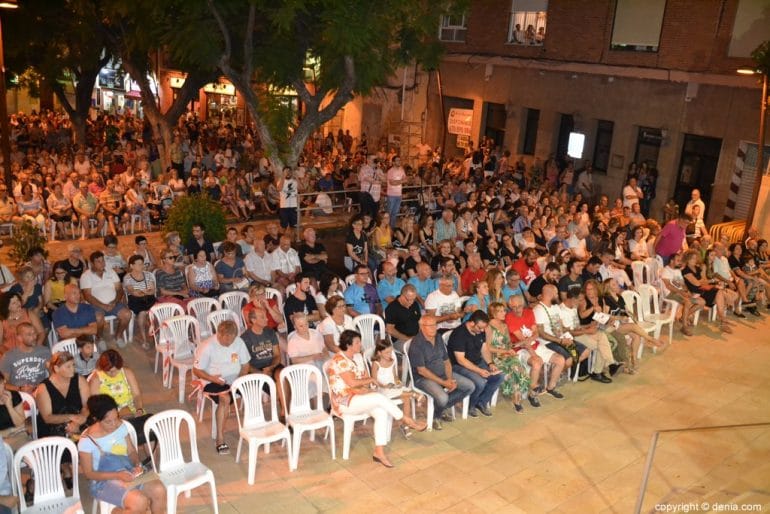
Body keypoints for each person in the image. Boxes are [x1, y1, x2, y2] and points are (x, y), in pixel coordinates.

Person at [327, 329, 426, 468]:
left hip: (359, 396)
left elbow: (365, 380)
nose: (360, 344)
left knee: (381, 411)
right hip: (344, 402)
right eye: (357, 342)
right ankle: (407, 420)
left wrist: (367, 385)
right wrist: (369, 382)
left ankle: (379, 452)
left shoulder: (358, 357)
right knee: (379, 397)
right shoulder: (339, 359)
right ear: (348, 345)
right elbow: (352, 383)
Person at [78, 394, 166, 513]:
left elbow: (131, 451)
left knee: (159, 489)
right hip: (103, 482)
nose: (114, 424)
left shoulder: (120, 426)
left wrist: (136, 465)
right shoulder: (87, 441)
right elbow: (89, 474)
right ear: (96, 419)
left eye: (116, 418)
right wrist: (117, 476)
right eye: (108, 421)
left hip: (127, 470)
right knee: (140, 501)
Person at [193, 319, 250, 455]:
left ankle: (254, 428)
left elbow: (245, 364)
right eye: (226, 340)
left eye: (231, 340)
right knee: (224, 398)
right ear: (218, 334)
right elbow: (196, 371)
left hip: (234, 379)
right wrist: (212, 378)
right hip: (212, 380)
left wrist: (240, 378)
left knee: (254, 386)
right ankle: (219, 438)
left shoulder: (238, 342)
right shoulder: (207, 346)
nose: (229, 343)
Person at [408, 314, 474, 430]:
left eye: (435, 325)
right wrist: (444, 383)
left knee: (469, 386)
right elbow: (422, 371)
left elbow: (446, 361)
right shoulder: (416, 344)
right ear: (422, 327)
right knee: (442, 398)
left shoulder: (438, 337)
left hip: (442, 373)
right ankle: (436, 416)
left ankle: (440, 407)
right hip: (423, 378)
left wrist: (448, 379)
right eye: (430, 326)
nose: (434, 328)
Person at [447, 310, 504, 417]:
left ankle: (481, 402)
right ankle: (470, 406)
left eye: (483, 328)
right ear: (472, 323)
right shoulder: (459, 334)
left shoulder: (479, 331)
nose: (482, 330)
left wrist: (490, 363)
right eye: (480, 328)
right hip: (459, 366)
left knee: (499, 376)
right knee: (480, 382)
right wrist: (479, 371)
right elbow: (460, 360)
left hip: (476, 361)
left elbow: (484, 349)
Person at [88, 349, 151, 444]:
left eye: (115, 371)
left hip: (131, 407)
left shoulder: (127, 372)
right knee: (125, 436)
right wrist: (116, 416)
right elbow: (96, 406)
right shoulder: (96, 379)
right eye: (109, 372)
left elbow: (136, 394)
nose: (112, 374)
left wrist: (139, 409)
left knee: (148, 433)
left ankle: (152, 456)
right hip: (109, 413)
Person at [370, 339, 426, 439]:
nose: (389, 354)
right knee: (404, 394)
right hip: (382, 389)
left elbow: (395, 377)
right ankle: (414, 395)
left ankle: (405, 425)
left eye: (391, 352)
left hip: (393, 388)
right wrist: (384, 386)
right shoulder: (376, 364)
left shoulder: (392, 361)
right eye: (387, 352)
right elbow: (374, 381)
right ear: (379, 353)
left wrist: (398, 383)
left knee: (406, 399)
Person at [80, 251, 132, 347]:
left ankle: (118, 336)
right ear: (92, 263)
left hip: (113, 303)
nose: (102, 263)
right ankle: (99, 338)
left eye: (103, 260)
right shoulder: (86, 276)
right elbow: (87, 296)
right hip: (96, 305)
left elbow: (119, 289)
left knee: (127, 314)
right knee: (99, 318)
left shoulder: (110, 271)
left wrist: (114, 301)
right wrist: (103, 305)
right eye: (98, 261)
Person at [486, 302, 531, 412]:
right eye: (500, 311)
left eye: (504, 310)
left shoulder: (504, 325)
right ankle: (519, 397)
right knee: (514, 369)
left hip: (507, 355)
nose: (504, 313)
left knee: (518, 367)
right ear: (493, 313)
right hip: (495, 356)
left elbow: (508, 344)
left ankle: (517, 396)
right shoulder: (489, 327)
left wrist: (518, 344)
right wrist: (505, 351)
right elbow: (488, 347)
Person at [241, 307, 285, 416]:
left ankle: (285, 412)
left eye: (266, 316)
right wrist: (261, 372)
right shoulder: (245, 338)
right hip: (256, 369)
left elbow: (277, 355)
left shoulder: (270, 332)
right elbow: (246, 364)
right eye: (263, 317)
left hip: (272, 365)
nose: (267, 319)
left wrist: (271, 367)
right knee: (277, 390)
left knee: (283, 377)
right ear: (253, 320)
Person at [35, 351, 89, 439]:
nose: (72, 369)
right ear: (56, 368)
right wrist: (71, 417)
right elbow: (47, 417)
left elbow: (87, 406)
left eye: (73, 365)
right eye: (68, 366)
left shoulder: (80, 380)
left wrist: (77, 422)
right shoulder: (43, 388)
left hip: (78, 421)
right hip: (53, 427)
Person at [0, 323, 51, 394]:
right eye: (29, 335)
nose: (34, 337)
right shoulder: (8, 356)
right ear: (19, 338)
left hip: (40, 391)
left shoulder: (44, 351)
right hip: (19, 393)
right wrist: (20, 389)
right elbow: (3, 384)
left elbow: (53, 374)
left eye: (34, 333)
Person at [123, 255, 156, 349]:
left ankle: (157, 334)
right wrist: (144, 292)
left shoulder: (148, 275)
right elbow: (133, 292)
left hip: (149, 298)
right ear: (131, 266)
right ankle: (144, 339)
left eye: (142, 264)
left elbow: (153, 290)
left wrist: (142, 292)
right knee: (142, 313)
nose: (142, 266)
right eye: (139, 264)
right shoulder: (127, 277)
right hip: (135, 301)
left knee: (158, 311)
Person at [384, 284, 422, 352]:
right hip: (400, 340)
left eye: (413, 299)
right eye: (409, 300)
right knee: (416, 349)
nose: (411, 302)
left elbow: (420, 321)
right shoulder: (392, 308)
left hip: (416, 336)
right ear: (402, 296)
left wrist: (420, 335)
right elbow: (390, 329)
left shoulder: (415, 304)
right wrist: (408, 338)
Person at [0, 370, 26, 450]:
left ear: (4, 381)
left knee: (31, 455)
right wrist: (11, 430)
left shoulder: (14, 396)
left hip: (19, 436)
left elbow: (21, 424)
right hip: (2, 440)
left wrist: (9, 406)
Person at [385, 156, 405, 229]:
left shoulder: (402, 170)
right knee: (389, 213)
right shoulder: (390, 171)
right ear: (393, 162)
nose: (399, 162)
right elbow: (392, 183)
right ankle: (386, 228)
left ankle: (392, 228)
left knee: (395, 213)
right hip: (391, 195)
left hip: (399, 195)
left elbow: (406, 180)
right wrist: (401, 181)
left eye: (399, 160)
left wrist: (397, 181)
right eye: (397, 160)